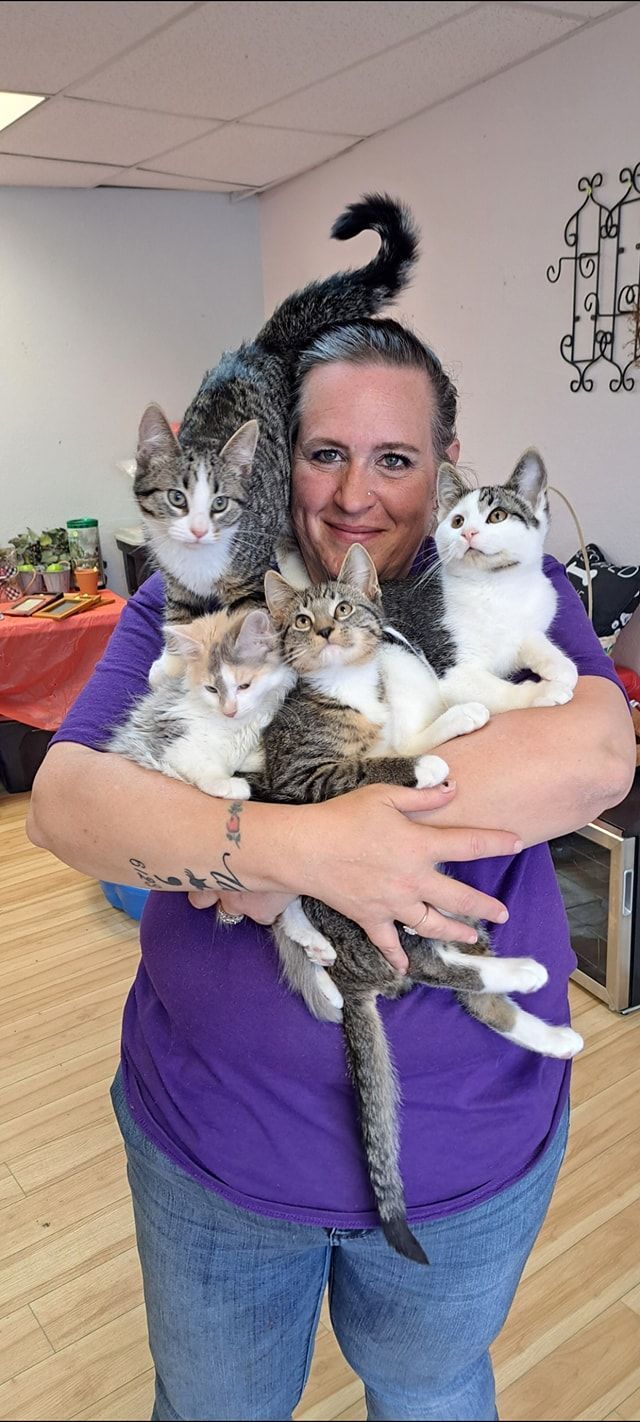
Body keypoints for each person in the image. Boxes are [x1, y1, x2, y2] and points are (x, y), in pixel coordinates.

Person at [28, 317, 635, 1422]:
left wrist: (337, 832)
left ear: (445, 468)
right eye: (326, 453)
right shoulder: (209, 591)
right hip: (216, 1145)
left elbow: (595, 754)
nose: (357, 491)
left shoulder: (494, 576)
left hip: (469, 1148)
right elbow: (69, 806)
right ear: (283, 458)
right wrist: (288, 851)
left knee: (432, 1389)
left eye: (395, 459)